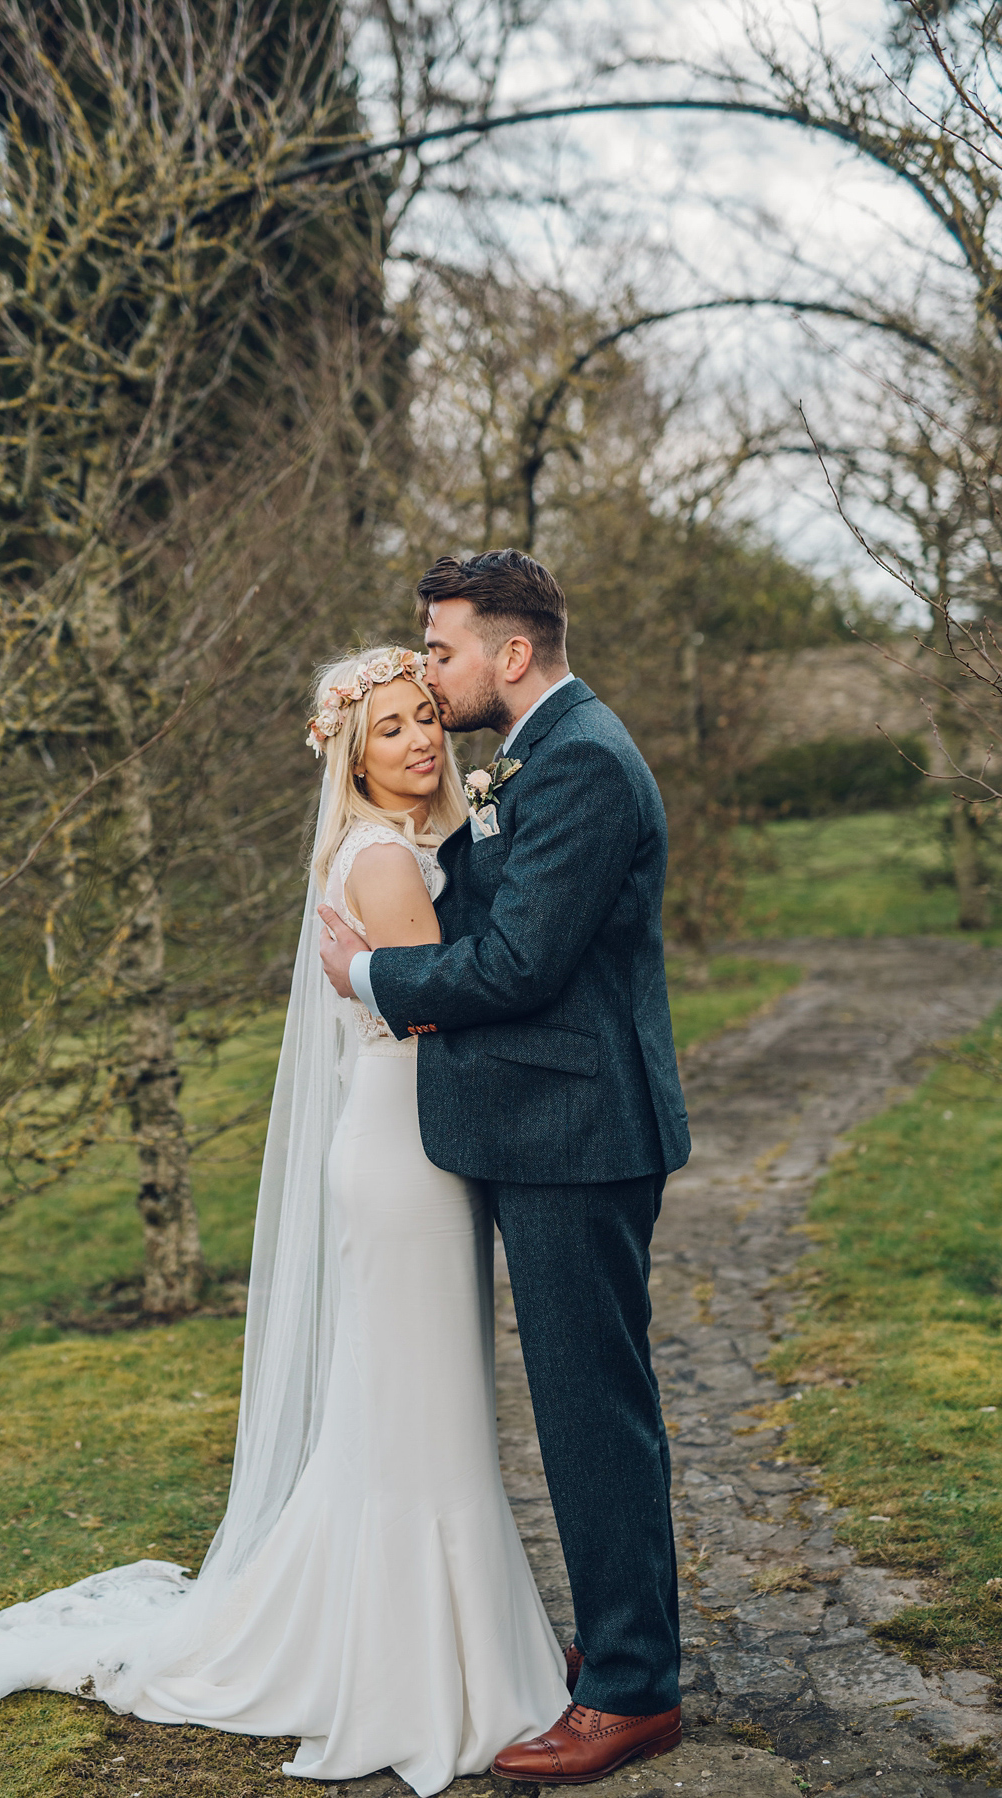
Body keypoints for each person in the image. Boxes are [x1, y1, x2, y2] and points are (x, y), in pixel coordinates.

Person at [0, 644, 570, 1798]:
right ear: (352, 756)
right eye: (392, 729)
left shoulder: (389, 850)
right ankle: (415, 1669)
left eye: (429, 716)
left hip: (402, 1144)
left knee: (411, 1410)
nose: (423, 739)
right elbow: (437, 1012)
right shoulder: (385, 863)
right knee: (425, 1413)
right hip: (409, 1152)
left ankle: (423, 1643)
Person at [318, 550, 691, 1786]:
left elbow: (520, 963)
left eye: (441, 648)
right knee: (587, 1403)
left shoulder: (579, 758)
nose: (429, 669)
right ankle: (621, 1651)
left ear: (509, 652)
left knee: (593, 1408)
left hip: (579, 1132)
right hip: (554, 1121)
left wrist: (371, 975)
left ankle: (632, 1690)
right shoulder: (539, 750)